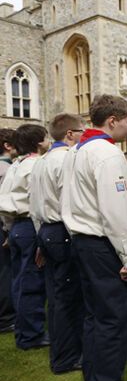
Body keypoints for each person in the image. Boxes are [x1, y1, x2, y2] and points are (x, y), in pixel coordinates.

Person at [61, 95, 127, 381]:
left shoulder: (77, 151)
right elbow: (115, 212)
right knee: (112, 321)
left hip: (82, 241)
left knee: (94, 318)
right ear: (112, 120)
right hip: (102, 244)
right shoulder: (107, 154)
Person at [30, 113, 85, 374]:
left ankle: (62, 350)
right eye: (81, 132)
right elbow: (69, 202)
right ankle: (66, 357)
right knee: (68, 298)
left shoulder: (41, 162)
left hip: (47, 230)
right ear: (70, 134)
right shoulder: (66, 159)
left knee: (56, 296)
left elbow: (34, 206)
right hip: (63, 231)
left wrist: (41, 239)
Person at [0, 124, 50, 349]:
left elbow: (5, 200)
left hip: (17, 227)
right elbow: (39, 203)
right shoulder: (36, 165)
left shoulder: (15, 166)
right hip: (31, 226)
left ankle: (24, 330)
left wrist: (9, 229)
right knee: (32, 282)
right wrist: (42, 238)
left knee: (19, 281)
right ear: (40, 142)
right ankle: (31, 335)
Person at [0, 128, 17, 334]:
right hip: (3, 225)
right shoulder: (6, 170)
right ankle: (6, 318)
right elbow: (5, 203)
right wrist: (8, 229)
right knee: (6, 271)